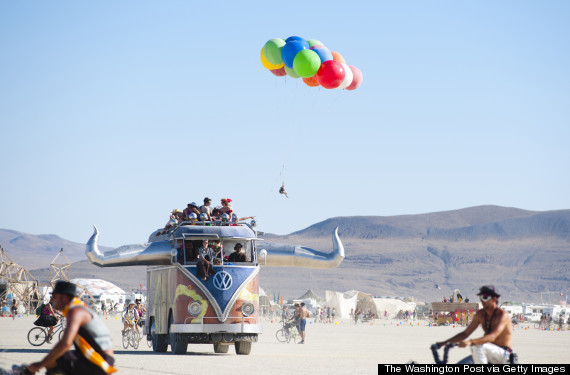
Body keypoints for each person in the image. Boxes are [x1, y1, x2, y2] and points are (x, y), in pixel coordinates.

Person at [27, 280, 115, 375]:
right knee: (57, 359)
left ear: (64, 298)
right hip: (94, 357)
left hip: (99, 360)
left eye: (54, 296)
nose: (52, 299)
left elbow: (65, 343)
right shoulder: (77, 308)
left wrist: (40, 364)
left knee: (55, 361)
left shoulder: (76, 311)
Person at [436, 285, 515, 364]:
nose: (482, 301)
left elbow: (492, 337)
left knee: (477, 345)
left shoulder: (501, 315)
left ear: (494, 299)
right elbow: (465, 333)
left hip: (503, 355)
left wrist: (469, 342)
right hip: (485, 353)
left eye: (485, 297)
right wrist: (444, 343)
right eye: (480, 297)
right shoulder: (480, 314)